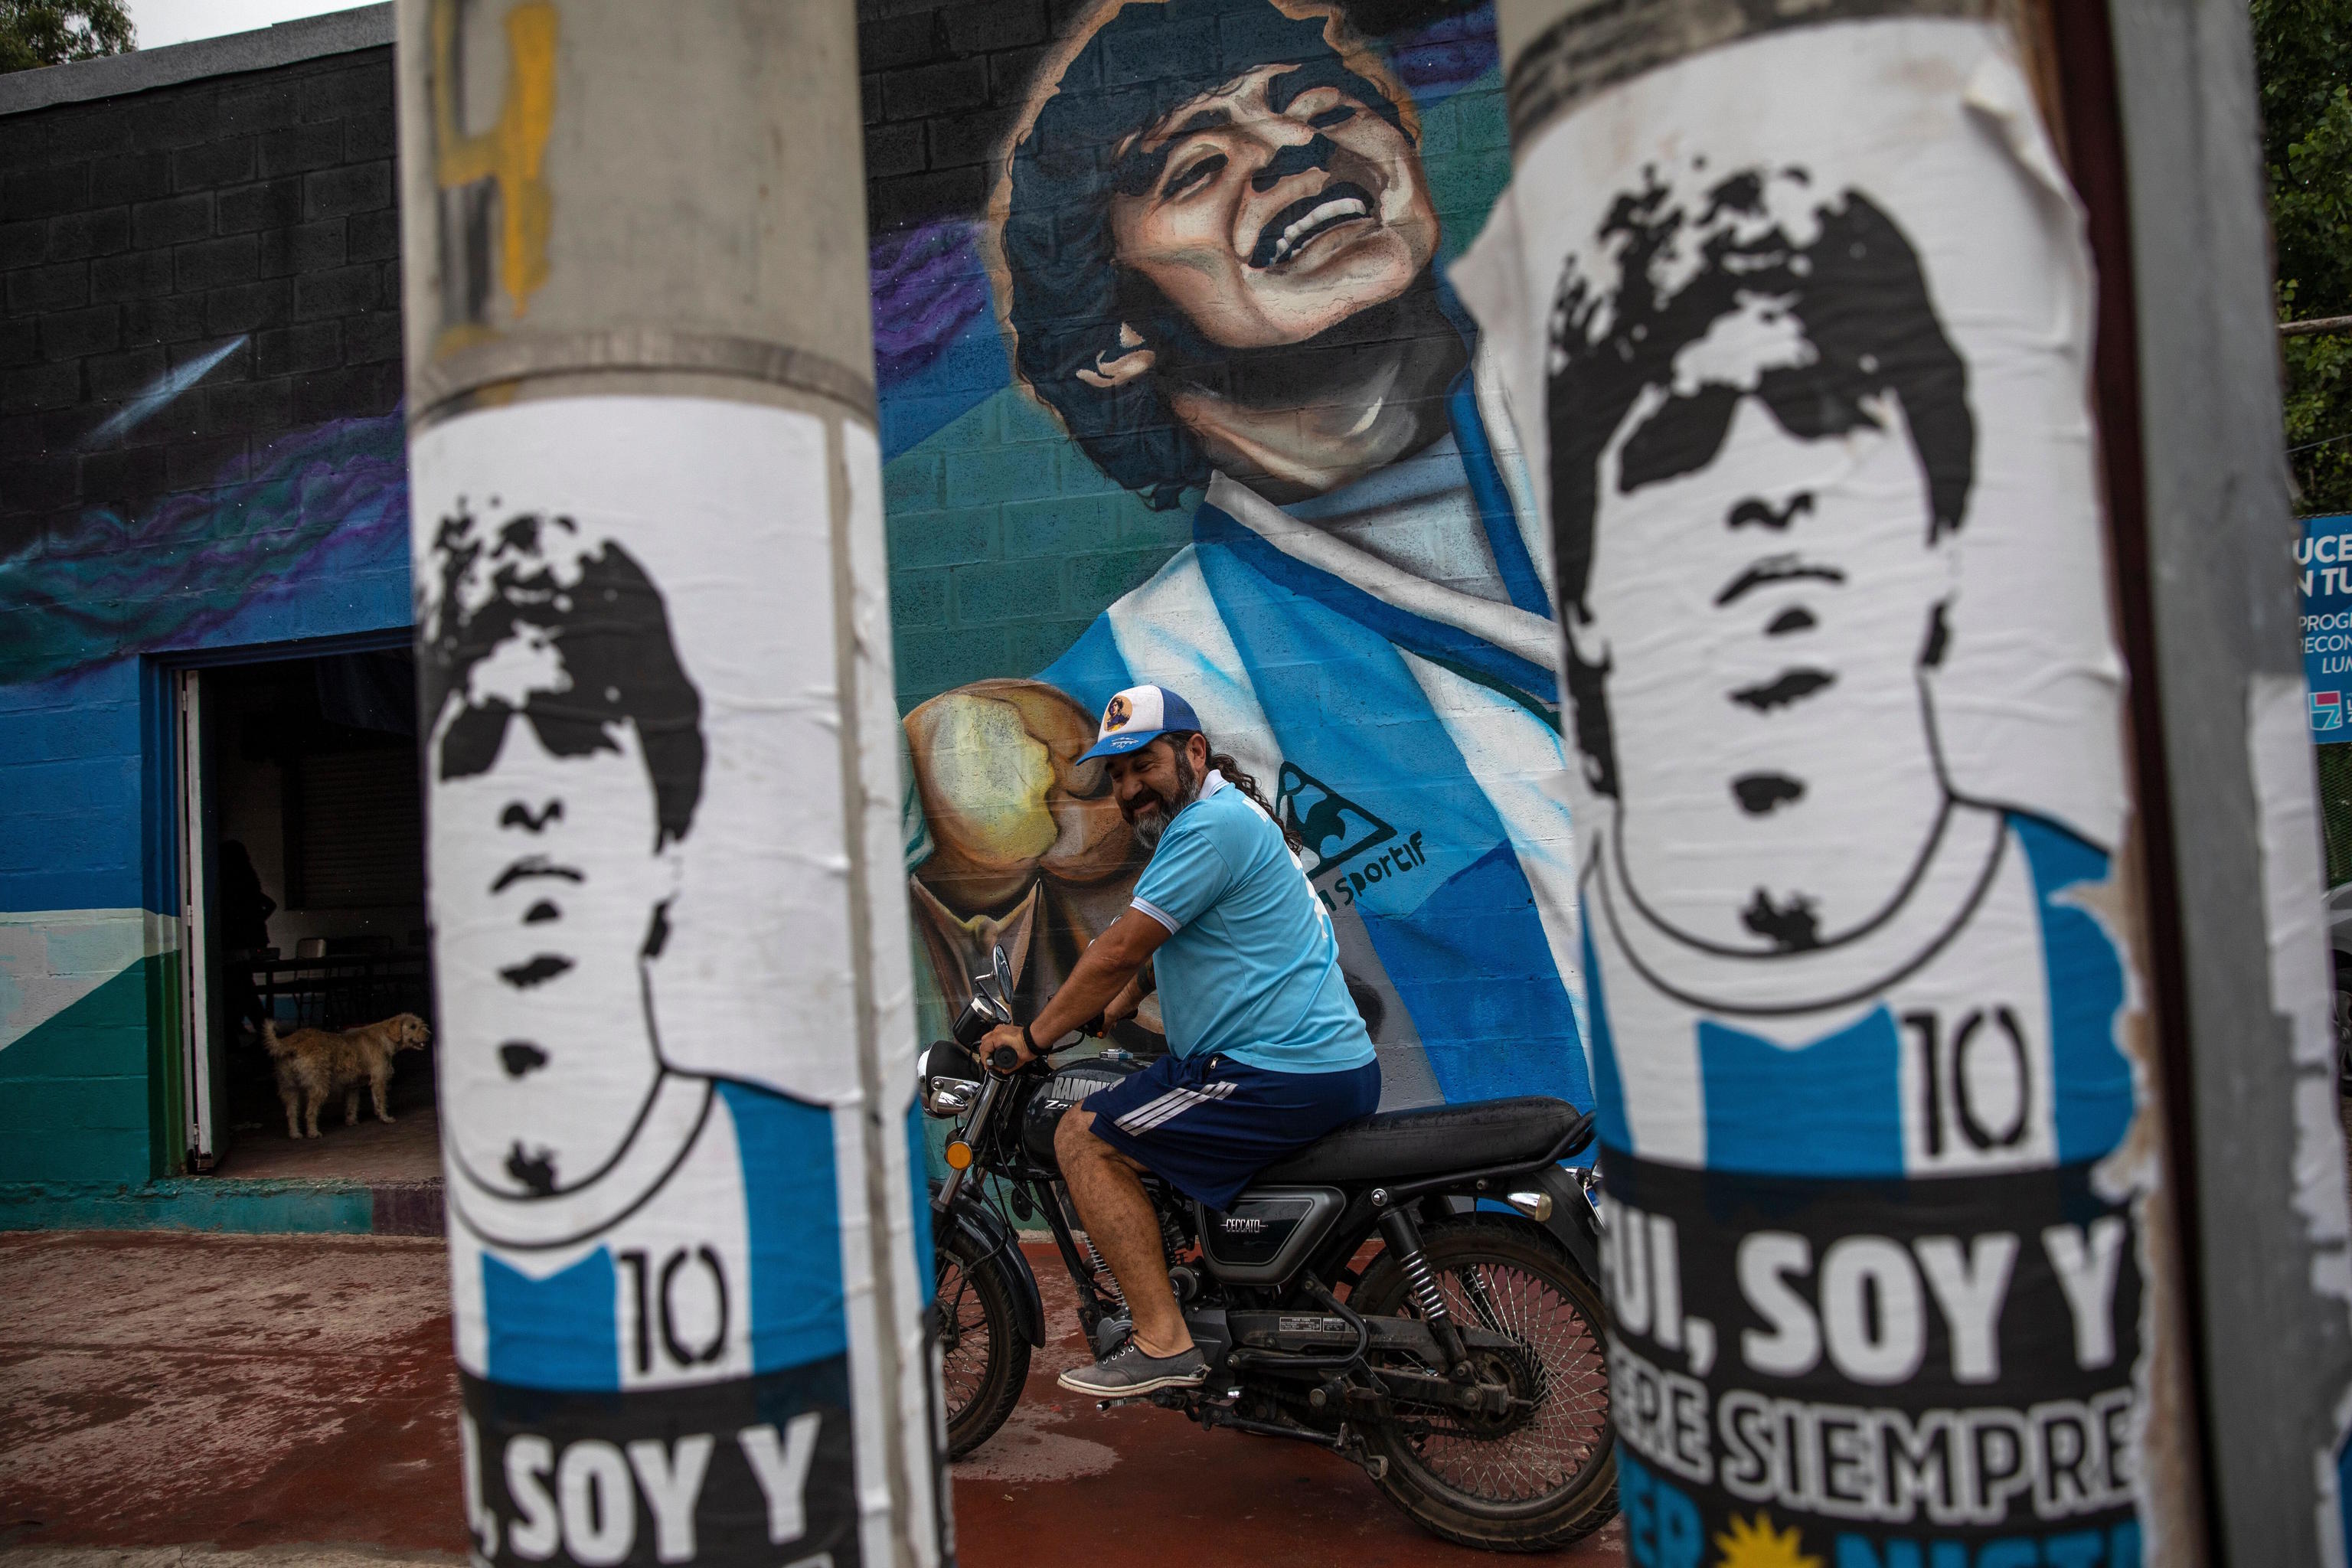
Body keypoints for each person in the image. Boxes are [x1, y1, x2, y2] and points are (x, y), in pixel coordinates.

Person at [920, 0, 1587, 1117]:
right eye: (1194, 168)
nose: (1290, 148)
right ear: (1115, 336)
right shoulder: (1123, 697)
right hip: (1521, 1217)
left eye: (1322, 106)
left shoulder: (1673, 422)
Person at [1545, 161, 2136, 1175]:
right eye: (1683, 433)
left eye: (1821, 409)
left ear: (1941, 530)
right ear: (1585, 595)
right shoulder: (1586, 948)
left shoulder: (2113, 938)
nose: (1765, 485)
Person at [420, 506, 846, 1389]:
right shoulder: (469, 1189)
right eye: (475, 744)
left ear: (668, 841)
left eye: (572, 733)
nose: (527, 797)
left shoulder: (799, 1159)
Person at [982, 683, 1380, 1396]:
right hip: (1321, 1067)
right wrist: (1125, 999)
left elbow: (1118, 949)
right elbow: (1190, 935)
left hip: (1273, 1071)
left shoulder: (1207, 828)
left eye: (1145, 764)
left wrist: (1034, 1038)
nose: (1130, 787)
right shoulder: (1226, 816)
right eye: (1118, 775)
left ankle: (1163, 1341)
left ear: (1194, 751)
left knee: (1084, 1137)